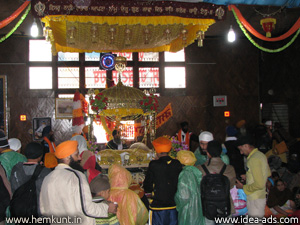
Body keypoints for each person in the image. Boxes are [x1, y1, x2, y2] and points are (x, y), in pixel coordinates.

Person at [40, 140, 117, 225]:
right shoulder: (75, 176)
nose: (80, 158)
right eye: (76, 155)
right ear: (67, 157)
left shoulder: (47, 178)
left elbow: (43, 210)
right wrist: (107, 208)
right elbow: (87, 209)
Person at [143, 136, 182, 225]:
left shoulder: (154, 165)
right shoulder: (177, 164)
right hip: (173, 205)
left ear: (157, 151)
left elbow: (147, 187)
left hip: (158, 207)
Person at [197, 140, 236, 224]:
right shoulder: (230, 169)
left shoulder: (199, 169)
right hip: (225, 206)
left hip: (206, 207)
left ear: (207, 153)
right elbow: (231, 185)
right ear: (221, 152)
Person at [235, 134, 271, 225]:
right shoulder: (260, 155)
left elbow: (259, 184)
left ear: (246, 146)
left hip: (255, 199)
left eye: (241, 149)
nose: (241, 153)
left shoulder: (253, 159)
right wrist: (249, 176)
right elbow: (268, 173)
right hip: (260, 197)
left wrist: (243, 187)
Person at [10, 142, 51, 216]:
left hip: (21, 211)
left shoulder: (16, 169)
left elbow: (13, 189)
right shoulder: (46, 171)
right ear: (40, 156)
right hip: (39, 212)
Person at [175, 150, 205, 225]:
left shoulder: (185, 173)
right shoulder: (195, 171)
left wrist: (176, 202)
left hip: (188, 211)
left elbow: (184, 196)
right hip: (197, 209)